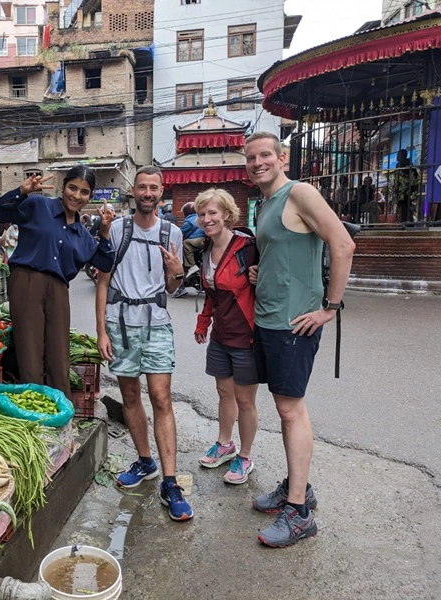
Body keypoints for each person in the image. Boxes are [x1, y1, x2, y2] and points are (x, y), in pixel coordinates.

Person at [244, 131, 355, 547]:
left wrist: (331, 306)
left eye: (266, 155)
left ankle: (299, 513)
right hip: (270, 320)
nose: (258, 162)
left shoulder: (301, 192)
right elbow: (287, 251)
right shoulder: (266, 203)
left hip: (295, 323)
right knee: (283, 406)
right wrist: (262, 272)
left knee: (291, 411)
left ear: (282, 158)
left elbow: (343, 244)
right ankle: (298, 485)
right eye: (251, 157)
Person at [95, 165, 192, 522]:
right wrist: (101, 332)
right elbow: (103, 283)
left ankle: (170, 481)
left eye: (154, 188)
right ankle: (145, 461)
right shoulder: (117, 229)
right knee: (131, 397)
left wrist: (178, 271)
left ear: (161, 194)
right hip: (120, 324)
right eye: (142, 187)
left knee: (162, 398)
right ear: (132, 192)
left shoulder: (173, 232)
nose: (148, 193)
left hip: (157, 323)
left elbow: (171, 287)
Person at [0, 166, 115, 397]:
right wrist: (21, 191)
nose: (76, 196)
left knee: (59, 354)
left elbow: (104, 263)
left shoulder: (81, 233)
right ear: (63, 187)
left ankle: (59, 411)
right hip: (27, 281)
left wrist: (105, 231)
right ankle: (35, 413)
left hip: (59, 289)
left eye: (84, 192)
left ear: (90, 197)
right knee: (30, 352)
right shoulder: (39, 206)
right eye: (72, 188)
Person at [193, 189, 259, 485]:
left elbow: (271, 285)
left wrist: (262, 276)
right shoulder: (206, 249)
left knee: (245, 400)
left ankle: (244, 456)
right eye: (202, 214)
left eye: (212, 213)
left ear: (227, 215)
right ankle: (225, 444)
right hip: (221, 335)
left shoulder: (248, 247)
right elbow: (212, 293)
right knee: (224, 392)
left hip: (247, 336)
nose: (207, 219)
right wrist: (203, 322)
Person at [174, 201, 207, 298]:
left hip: (195, 243)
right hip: (204, 244)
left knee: (184, 249)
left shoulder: (189, 221)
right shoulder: (201, 218)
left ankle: (190, 268)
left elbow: (179, 233)